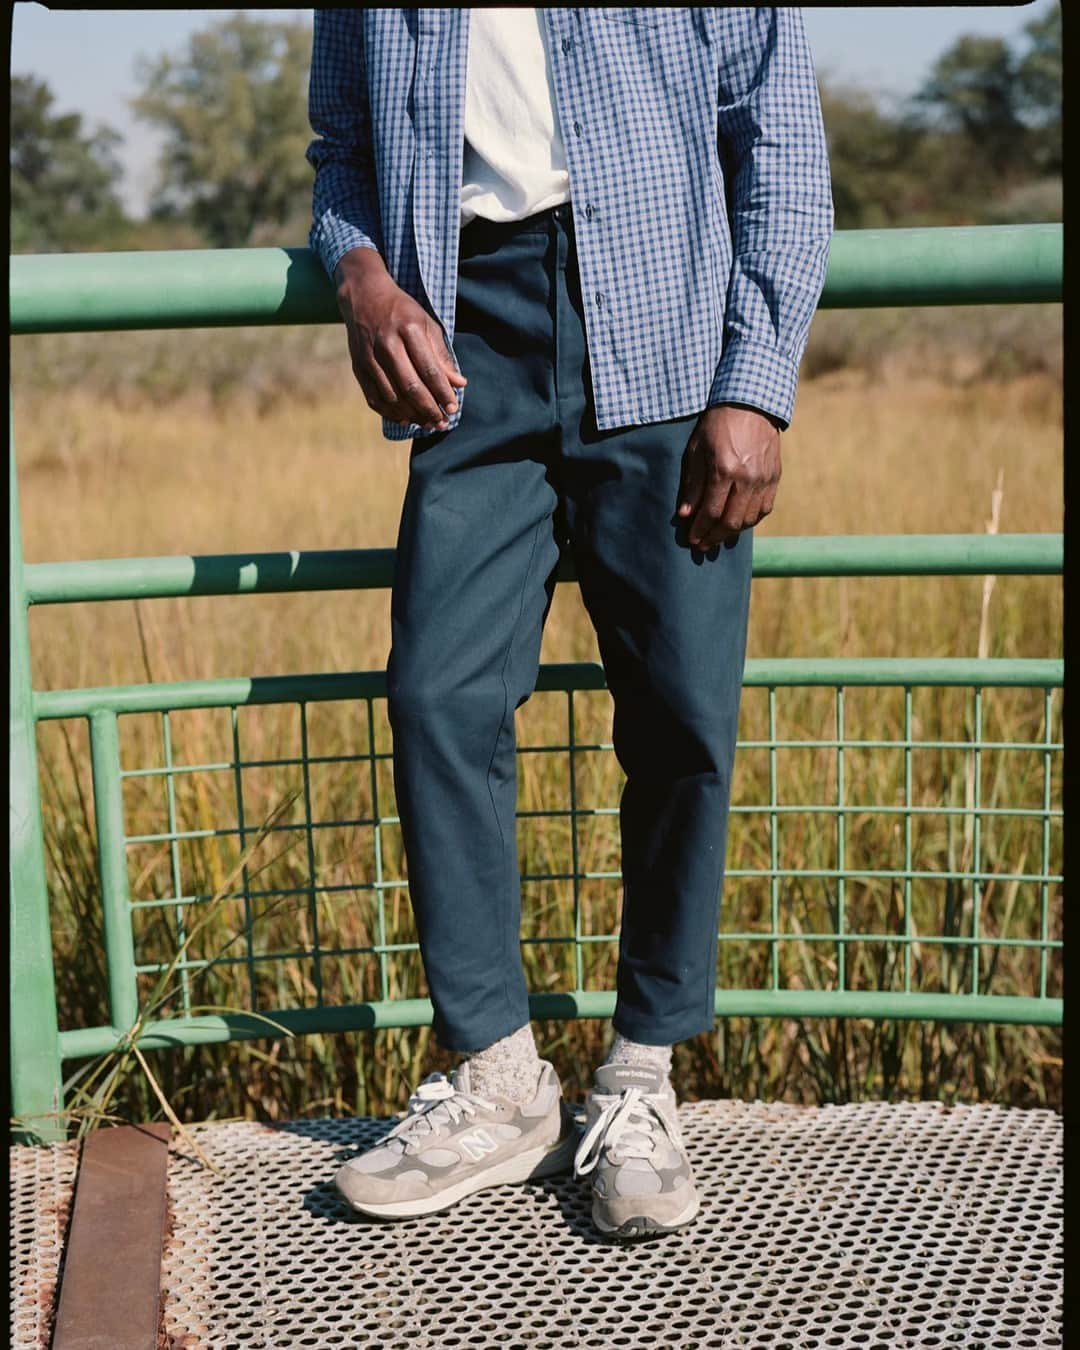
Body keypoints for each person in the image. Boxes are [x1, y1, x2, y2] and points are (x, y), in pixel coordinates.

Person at [306, 6, 832, 1238]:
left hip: (662, 331)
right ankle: (496, 1078)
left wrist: (754, 386)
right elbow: (343, 148)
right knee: (439, 696)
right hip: (465, 347)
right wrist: (363, 276)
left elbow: (780, 147)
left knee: (682, 712)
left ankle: (641, 1078)